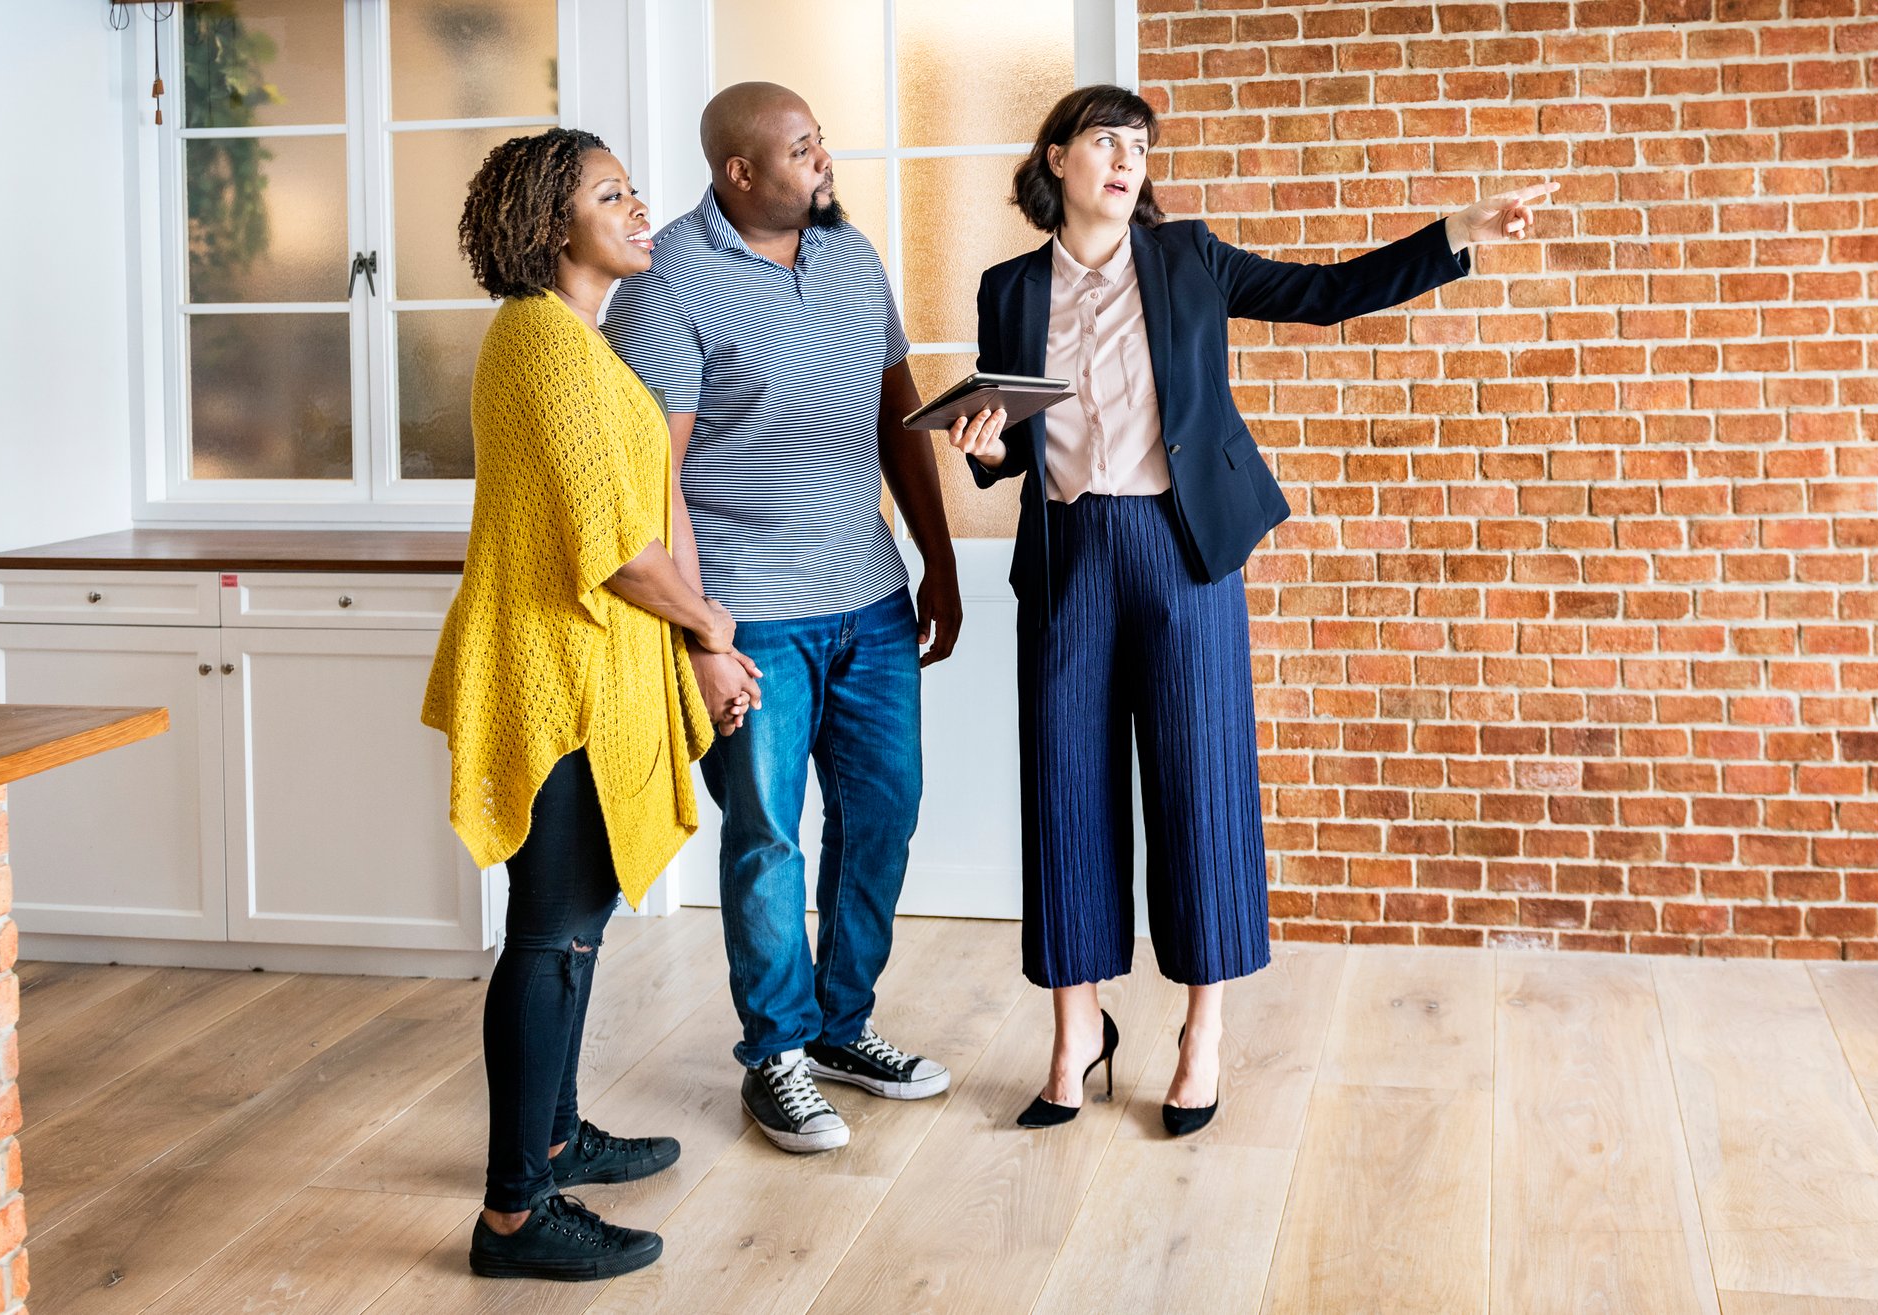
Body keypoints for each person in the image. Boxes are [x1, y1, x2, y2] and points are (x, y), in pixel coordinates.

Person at [950, 85, 1555, 1136]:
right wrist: (982, 444)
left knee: (1199, 787)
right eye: (1103, 141)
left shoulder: (1187, 259)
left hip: (1182, 553)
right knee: (1063, 790)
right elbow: (1008, 447)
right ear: (1055, 160)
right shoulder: (1007, 289)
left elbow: (1325, 291)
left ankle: (1201, 1035)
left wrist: (1458, 231)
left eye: (1137, 145)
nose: (1125, 159)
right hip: (1063, 560)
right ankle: (1073, 1033)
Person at [604, 81, 962, 1154]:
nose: (825, 164)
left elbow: (899, 415)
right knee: (765, 836)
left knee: (882, 815)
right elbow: (648, 479)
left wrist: (937, 561)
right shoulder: (667, 280)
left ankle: (842, 1028)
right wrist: (702, 633)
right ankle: (775, 1054)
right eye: (803, 151)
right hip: (751, 615)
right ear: (739, 173)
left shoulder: (849, 255)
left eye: (822, 144)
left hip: (870, 599)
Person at [423, 127, 746, 1280]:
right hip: (552, 680)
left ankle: (555, 1137)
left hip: (589, 675)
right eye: (610, 193)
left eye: (631, 187)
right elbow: (611, 550)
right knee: (552, 935)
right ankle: (513, 1212)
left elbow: (636, 520)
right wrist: (710, 629)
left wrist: (696, 636)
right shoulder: (542, 346)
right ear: (554, 224)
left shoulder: (575, 343)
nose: (636, 204)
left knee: (573, 927)